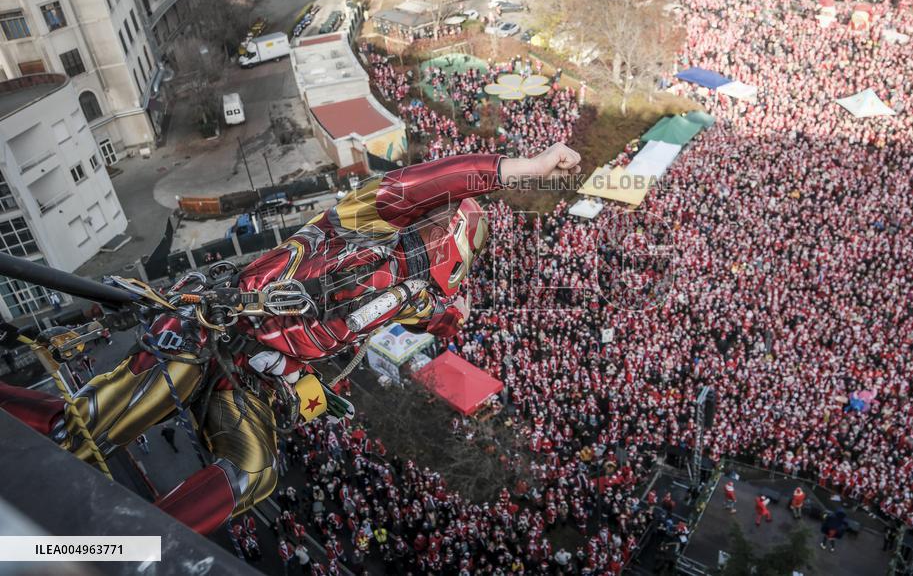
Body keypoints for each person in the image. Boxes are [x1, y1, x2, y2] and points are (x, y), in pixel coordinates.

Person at [0, 144, 582, 536]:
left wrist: (449, 313)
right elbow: (428, 180)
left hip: (254, 375)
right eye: (443, 265)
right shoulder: (363, 220)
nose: (434, 280)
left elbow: (431, 318)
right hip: (215, 326)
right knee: (78, 432)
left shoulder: (419, 297)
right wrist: (522, 169)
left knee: (255, 473)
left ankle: (133, 547)